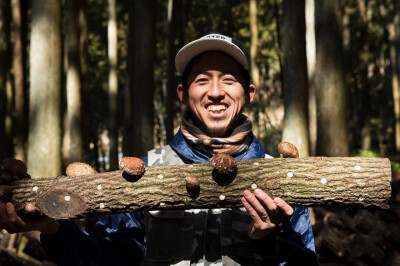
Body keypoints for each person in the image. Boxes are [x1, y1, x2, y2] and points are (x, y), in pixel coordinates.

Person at [0, 33, 317, 265]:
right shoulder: (144, 171)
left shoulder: (282, 178)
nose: (216, 92)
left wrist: (270, 244)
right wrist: (53, 226)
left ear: (249, 94)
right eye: (202, 80)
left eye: (229, 80)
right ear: (183, 94)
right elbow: (103, 258)